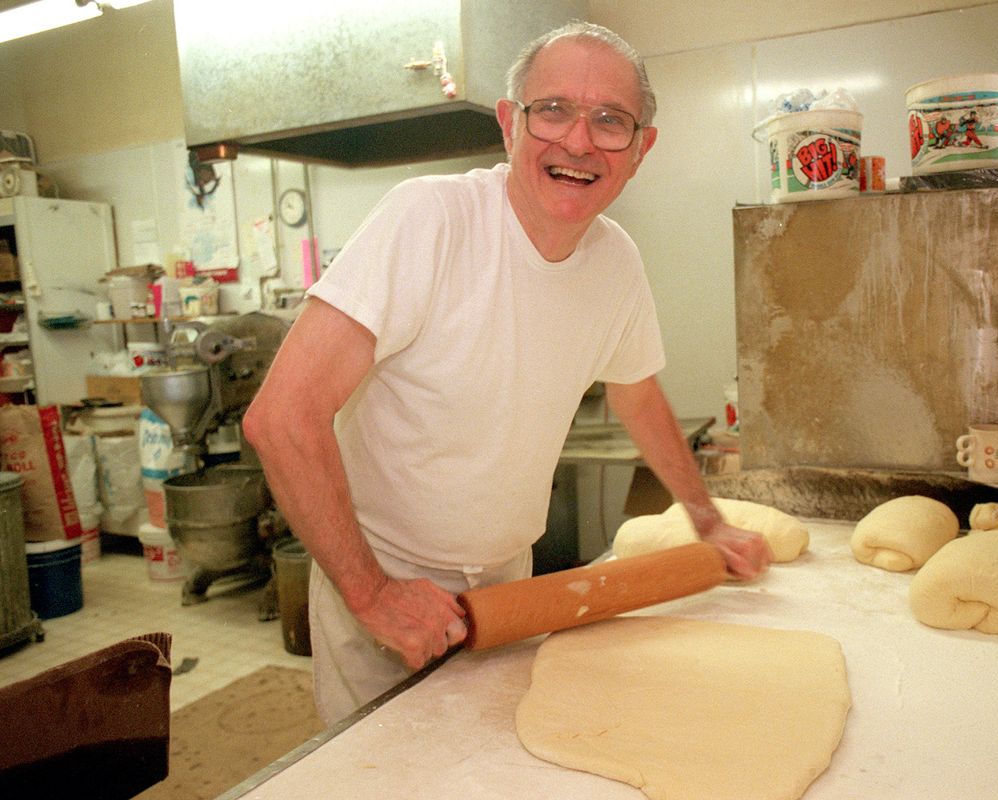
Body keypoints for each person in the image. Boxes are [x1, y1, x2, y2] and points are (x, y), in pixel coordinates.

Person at [242, 21, 770, 726]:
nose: (578, 142)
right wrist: (370, 594)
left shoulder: (616, 263)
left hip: (506, 588)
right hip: (386, 578)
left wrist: (708, 522)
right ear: (508, 125)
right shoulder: (429, 220)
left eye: (610, 121)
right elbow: (281, 417)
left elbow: (637, 394)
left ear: (641, 149)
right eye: (552, 110)